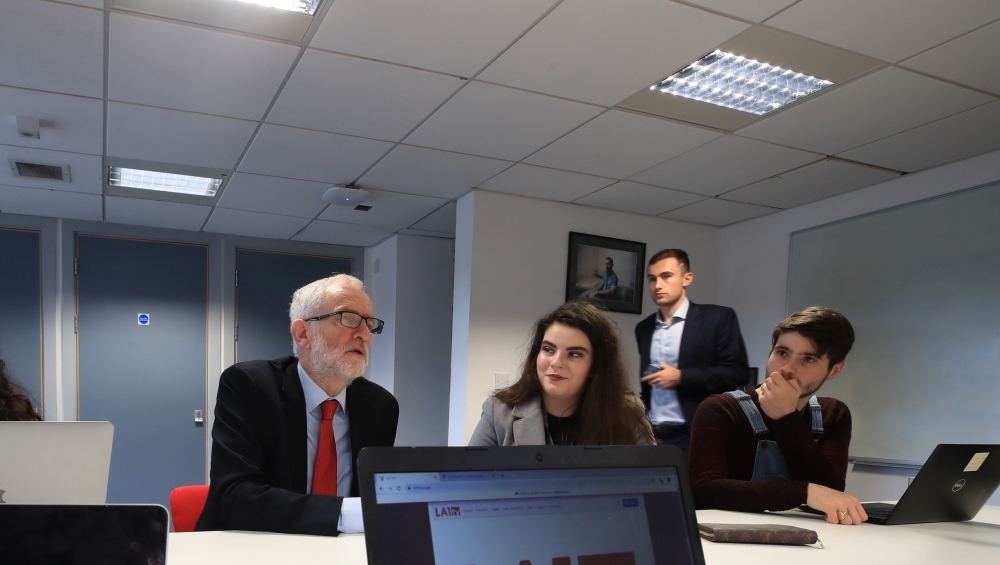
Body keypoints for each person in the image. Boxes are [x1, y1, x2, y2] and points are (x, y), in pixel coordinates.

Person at [196, 274, 399, 536]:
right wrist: (343, 513)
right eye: (348, 318)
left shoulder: (380, 407)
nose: (363, 334)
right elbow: (235, 496)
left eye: (369, 324)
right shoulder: (251, 386)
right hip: (254, 546)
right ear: (303, 334)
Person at [688, 306, 867, 525]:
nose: (787, 369)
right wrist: (804, 492)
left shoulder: (834, 414)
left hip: (806, 541)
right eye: (782, 353)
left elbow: (831, 491)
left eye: (808, 359)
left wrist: (786, 418)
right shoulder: (720, 408)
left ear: (834, 370)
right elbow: (703, 489)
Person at [469, 301, 654, 446]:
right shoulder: (499, 412)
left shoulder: (628, 414)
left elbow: (653, 484)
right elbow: (469, 483)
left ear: (596, 367)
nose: (556, 363)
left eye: (574, 354)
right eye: (548, 349)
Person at [636, 249, 748, 455]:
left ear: (687, 278)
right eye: (652, 279)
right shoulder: (644, 328)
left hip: (696, 433)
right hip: (652, 435)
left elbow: (737, 373)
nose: (657, 285)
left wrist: (681, 377)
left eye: (666, 276)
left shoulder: (717, 318)